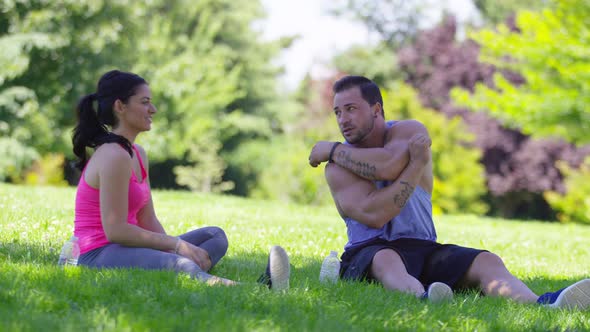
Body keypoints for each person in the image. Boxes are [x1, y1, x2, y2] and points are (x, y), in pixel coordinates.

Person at [308, 75, 590, 308]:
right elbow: (375, 215)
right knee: (386, 258)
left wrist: (333, 148)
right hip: (367, 253)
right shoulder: (337, 167)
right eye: (337, 112)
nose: (342, 119)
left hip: (423, 247)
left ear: (377, 109)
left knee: (486, 260)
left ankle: (543, 304)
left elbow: (388, 166)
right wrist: (414, 164)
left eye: (351, 108)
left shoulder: (407, 131)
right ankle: (422, 298)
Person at [71, 70, 290, 289]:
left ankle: (179, 266)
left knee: (215, 236)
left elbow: (147, 219)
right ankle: (259, 289)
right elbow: (115, 230)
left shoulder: (137, 153)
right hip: (97, 253)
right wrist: (176, 247)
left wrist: (172, 249)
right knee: (180, 265)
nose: (153, 109)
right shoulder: (113, 155)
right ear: (120, 107)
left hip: (127, 246)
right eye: (145, 102)